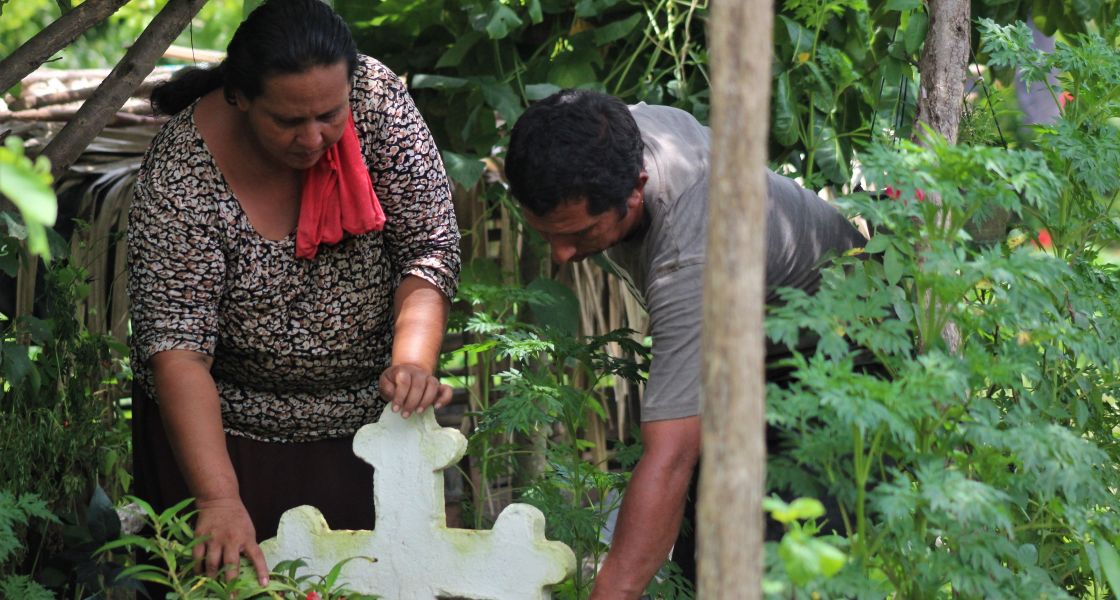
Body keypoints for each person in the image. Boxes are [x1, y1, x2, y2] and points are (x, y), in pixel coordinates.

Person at [127, 0, 460, 587]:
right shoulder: (181, 176)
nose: (313, 138)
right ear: (240, 96)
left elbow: (427, 246)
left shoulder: (376, 100)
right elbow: (177, 346)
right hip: (225, 440)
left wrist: (411, 361)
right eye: (288, 121)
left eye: (330, 115)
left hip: (371, 432)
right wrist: (218, 500)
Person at [504, 89, 869, 598]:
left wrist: (613, 590)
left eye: (581, 233)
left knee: (773, 573)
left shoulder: (691, 257)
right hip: (746, 348)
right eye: (544, 232)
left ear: (636, 189)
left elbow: (672, 458)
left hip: (840, 357)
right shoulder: (605, 135)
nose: (562, 254)